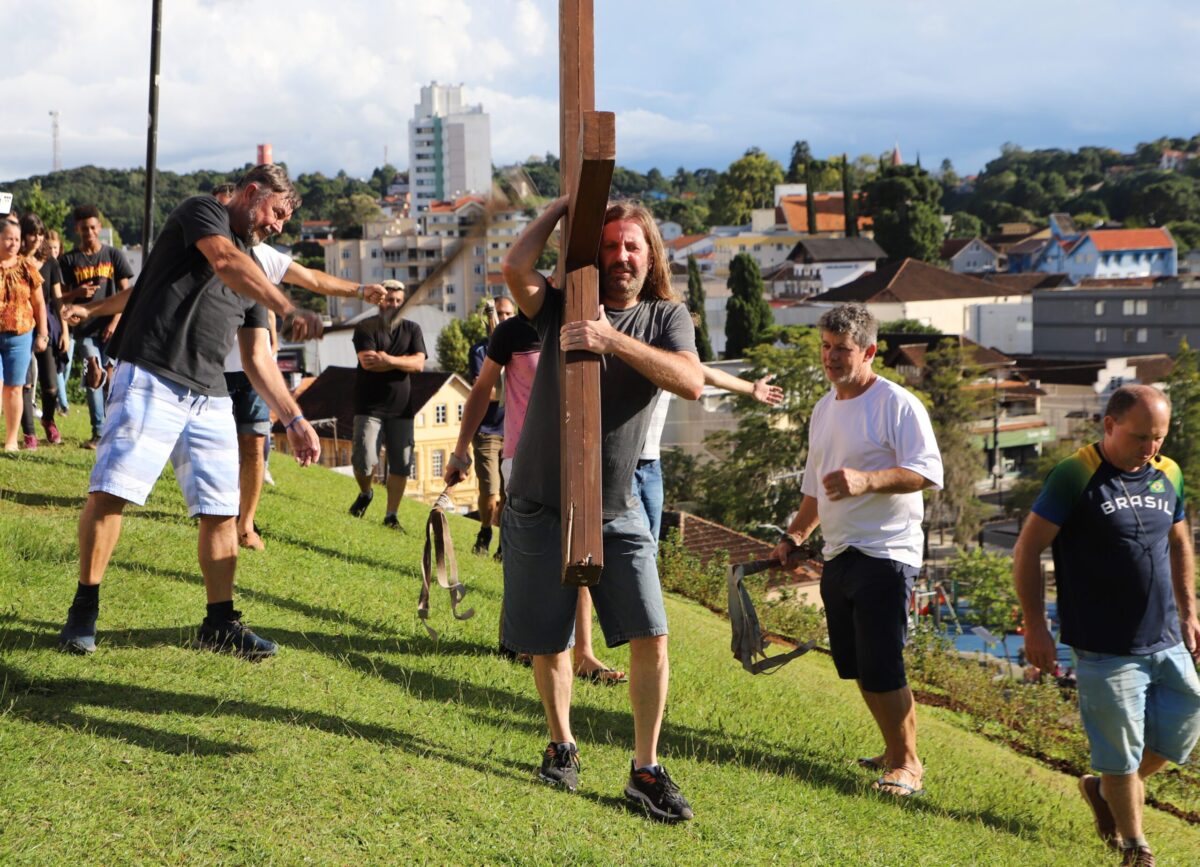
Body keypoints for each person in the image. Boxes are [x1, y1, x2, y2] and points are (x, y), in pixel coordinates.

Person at [56, 164, 324, 659]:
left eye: (285, 220)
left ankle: (219, 623)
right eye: (276, 213)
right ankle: (84, 609)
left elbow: (257, 358)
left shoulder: (257, 269)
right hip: (151, 374)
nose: (278, 226)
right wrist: (289, 308)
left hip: (210, 395)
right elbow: (222, 260)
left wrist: (294, 418)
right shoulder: (203, 212)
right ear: (250, 193)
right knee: (112, 491)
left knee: (222, 511)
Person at [501, 197, 703, 821]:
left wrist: (610, 338)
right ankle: (562, 746)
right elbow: (515, 268)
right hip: (539, 497)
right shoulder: (565, 302)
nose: (620, 257)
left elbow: (691, 380)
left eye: (631, 247)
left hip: (617, 503)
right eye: (610, 245)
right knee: (549, 637)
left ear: (651, 256)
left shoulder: (666, 316)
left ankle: (645, 769)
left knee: (652, 633)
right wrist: (564, 208)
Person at [1013, 385, 1200, 866]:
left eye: (1158, 437)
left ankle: (1103, 791)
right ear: (1110, 425)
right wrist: (1036, 627)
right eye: (1141, 437)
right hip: (1105, 647)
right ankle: (1135, 846)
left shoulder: (1168, 472)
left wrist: (1190, 611)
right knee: (1120, 752)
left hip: (1166, 638)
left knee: (1180, 733)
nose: (1151, 448)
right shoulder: (1075, 475)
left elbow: (1180, 542)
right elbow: (1027, 550)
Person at [770, 302, 942, 798]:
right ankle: (894, 748)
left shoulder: (897, 404)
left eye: (842, 350)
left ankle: (907, 765)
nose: (830, 358)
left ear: (868, 351)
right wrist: (795, 537)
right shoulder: (824, 409)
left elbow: (927, 472)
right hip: (839, 551)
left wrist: (867, 480)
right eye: (825, 347)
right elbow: (814, 490)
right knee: (858, 663)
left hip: (887, 551)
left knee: (882, 660)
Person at [444, 297, 627, 685]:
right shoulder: (512, 332)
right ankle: (517, 639)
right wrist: (461, 451)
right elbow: (481, 391)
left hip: (578, 455)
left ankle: (584, 654)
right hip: (522, 457)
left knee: (580, 552)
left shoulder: (587, 323)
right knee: (529, 553)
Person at [208, 182, 385, 549]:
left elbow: (313, 278)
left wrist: (359, 290)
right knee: (217, 450)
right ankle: (214, 515)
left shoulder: (264, 255)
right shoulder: (207, 251)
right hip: (211, 371)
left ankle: (246, 524)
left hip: (259, 372)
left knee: (255, 448)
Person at [634, 368, 783, 546]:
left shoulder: (665, 350)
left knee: (650, 546)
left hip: (651, 465)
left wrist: (752, 388)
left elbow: (704, 374)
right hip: (622, 464)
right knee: (638, 543)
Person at [347, 280, 426, 528]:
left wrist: (387, 359)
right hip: (369, 407)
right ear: (380, 301)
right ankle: (365, 493)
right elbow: (368, 362)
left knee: (401, 464)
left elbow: (419, 364)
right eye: (389, 300)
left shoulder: (413, 330)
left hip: (402, 409)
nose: (393, 305)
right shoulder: (365, 328)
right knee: (364, 458)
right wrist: (403, 361)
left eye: (398, 301)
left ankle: (391, 515)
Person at [58, 204, 134, 449]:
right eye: (84, 228)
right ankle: (98, 432)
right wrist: (77, 293)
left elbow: (127, 294)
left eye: (93, 227)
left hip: (113, 328)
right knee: (92, 373)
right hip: (85, 330)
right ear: (77, 229)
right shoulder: (69, 260)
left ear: (100, 227)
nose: (89, 232)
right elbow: (60, 298)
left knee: (113, 381)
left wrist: (115, 320)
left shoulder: (113, 256)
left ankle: (116, 430)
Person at [466, 297, 512, 555]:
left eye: (508, 314)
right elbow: (485, 392)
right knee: (491, 491)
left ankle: (504, 545)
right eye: (499, 313)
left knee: (509, 494)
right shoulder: (479, 351)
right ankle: (485, 530)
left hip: (514, 430)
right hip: (487, 430)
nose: (502, 318)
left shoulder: (519, 348)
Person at [0, 218, 49, 451]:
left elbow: (39, 304)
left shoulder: (27, 267)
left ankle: (11, 441)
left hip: (20, 335)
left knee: (15, 387)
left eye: (17, 239)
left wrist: (43, 333)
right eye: (8, 238)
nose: (13, 243)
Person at [20, 213, 67, 445]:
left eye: (40, 234)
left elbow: (58, 300)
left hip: (44, 324)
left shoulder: (50, 261)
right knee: (26, 382)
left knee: (50, 384)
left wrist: (65, 331)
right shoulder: (15, 259)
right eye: (32, 234)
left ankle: (48, 420)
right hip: (19, 324)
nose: (37, 238)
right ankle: (29, 433)